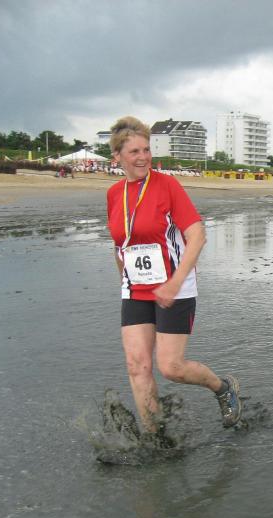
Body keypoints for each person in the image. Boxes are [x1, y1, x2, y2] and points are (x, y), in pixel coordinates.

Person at [105, 116, 242, 441]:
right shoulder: (114, 194)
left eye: (146, 149)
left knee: (171, 367)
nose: (143, 157)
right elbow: (120, 244)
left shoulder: (167, 186)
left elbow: (197, 236)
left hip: (175, 286)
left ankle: (222, 387)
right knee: (137, 366)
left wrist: (175, 281)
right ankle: (156, 438)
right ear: (117, 157)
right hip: (135, 289)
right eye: (134, 151)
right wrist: (124, 280)